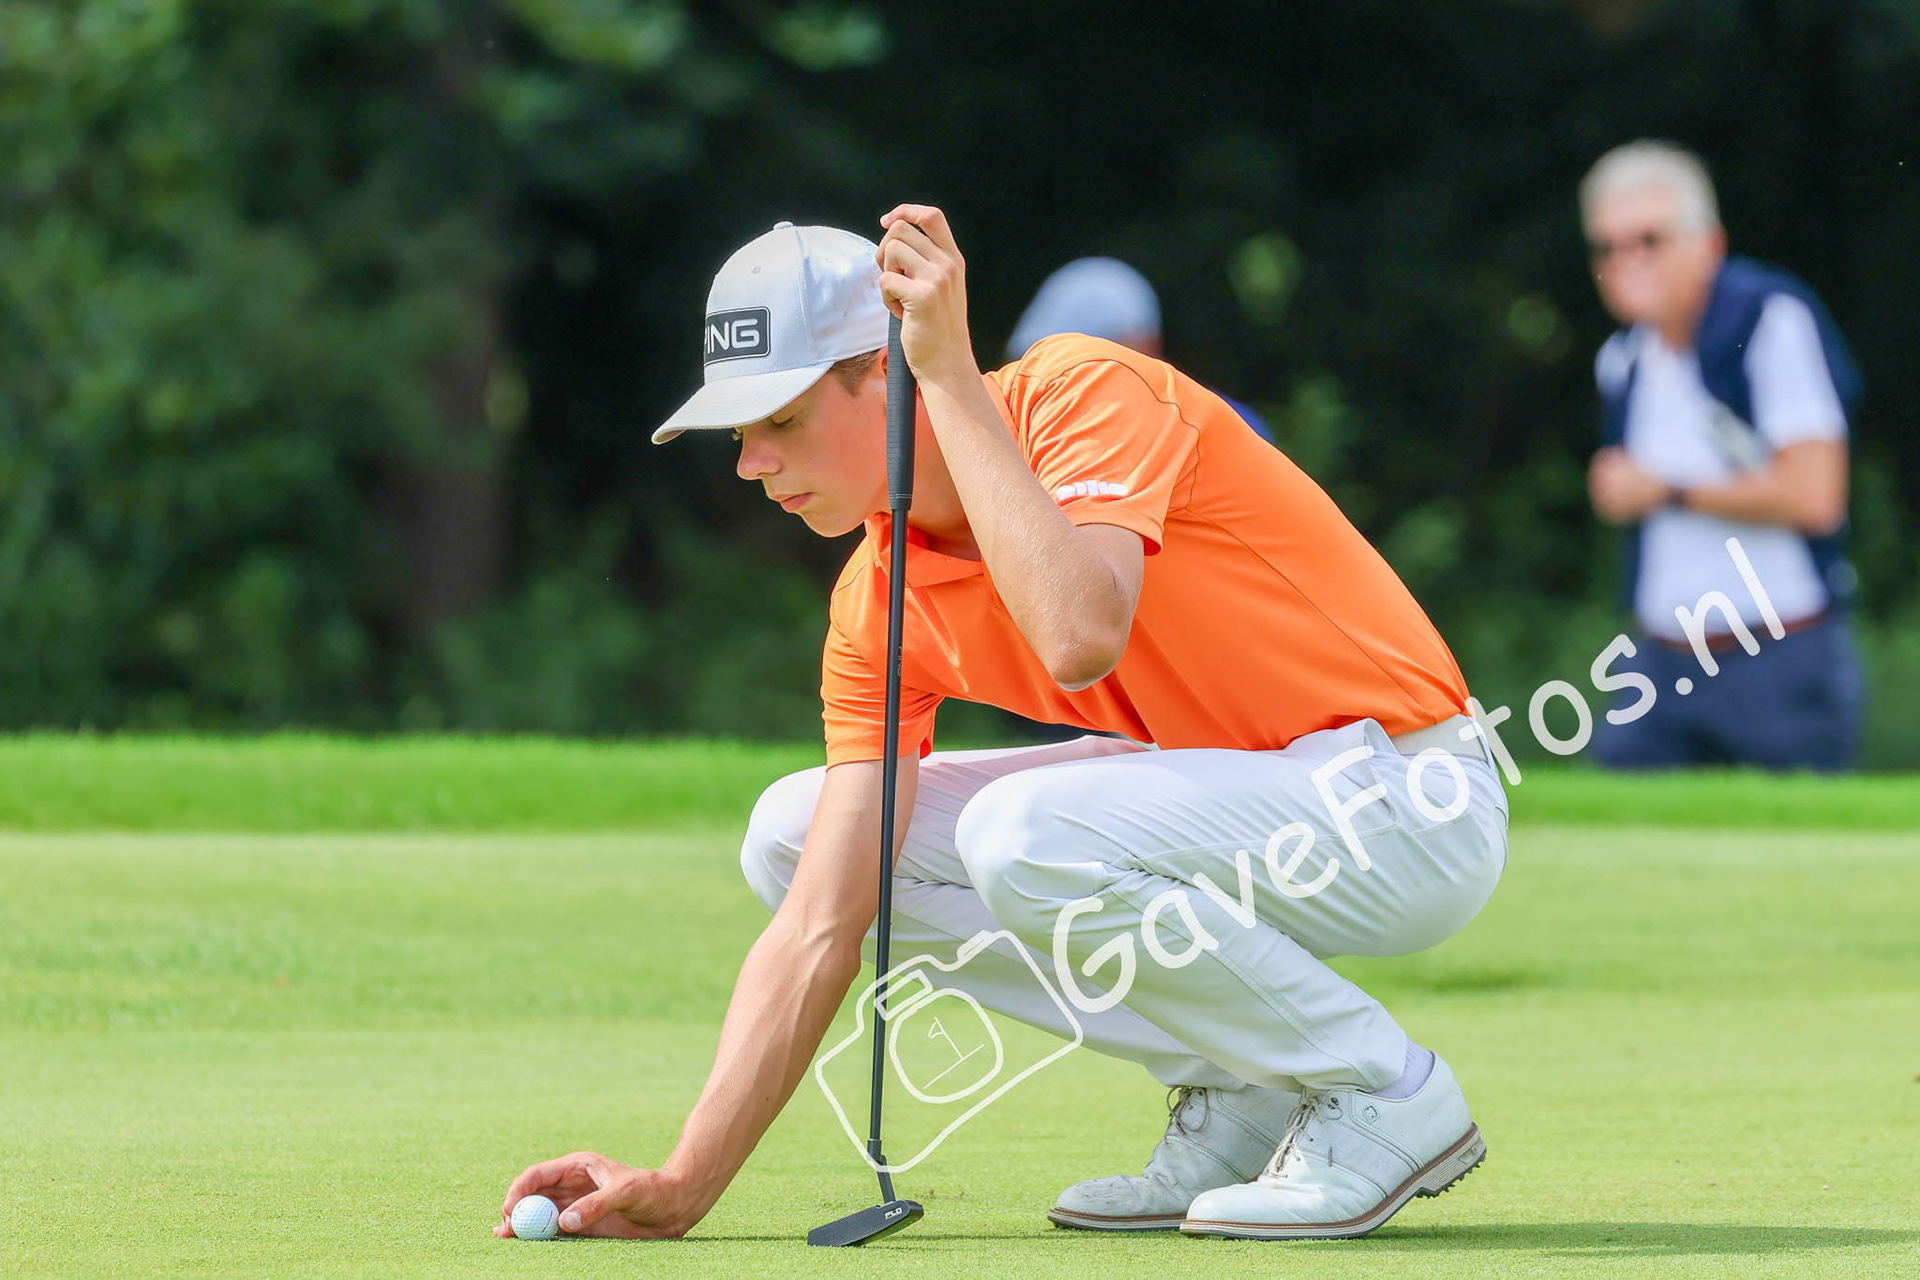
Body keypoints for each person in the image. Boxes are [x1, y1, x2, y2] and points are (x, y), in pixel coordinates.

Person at [496, 209, 1508, 1242]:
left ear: (884, 374)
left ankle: (1382, 1086)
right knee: (791, 834)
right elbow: (822, 922)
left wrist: (949, 377)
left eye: (782, 419)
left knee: (1022, 830)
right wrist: (682, 1181)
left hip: (1408, 798)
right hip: (1243, 815)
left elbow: (1081, 631)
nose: (751, 462)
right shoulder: (873, 600)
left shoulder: (1084, 390)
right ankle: (1244, 1076)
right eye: (740, 432)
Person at [1580, 141, 1865, 770]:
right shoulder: (1623, 361)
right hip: (1658, 662)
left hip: (1776, 651)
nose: (1627, 262)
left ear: (1706, 244)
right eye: (1608, 247)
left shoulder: (1769, 320)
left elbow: (1816, 496)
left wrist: (1667, 490)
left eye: (1648, 240)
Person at [1007, 256, 1275, 444]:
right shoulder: (1230, 419)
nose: (1037, 395)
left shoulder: (1228, 427)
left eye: (1067, 369)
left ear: (1140, 344)